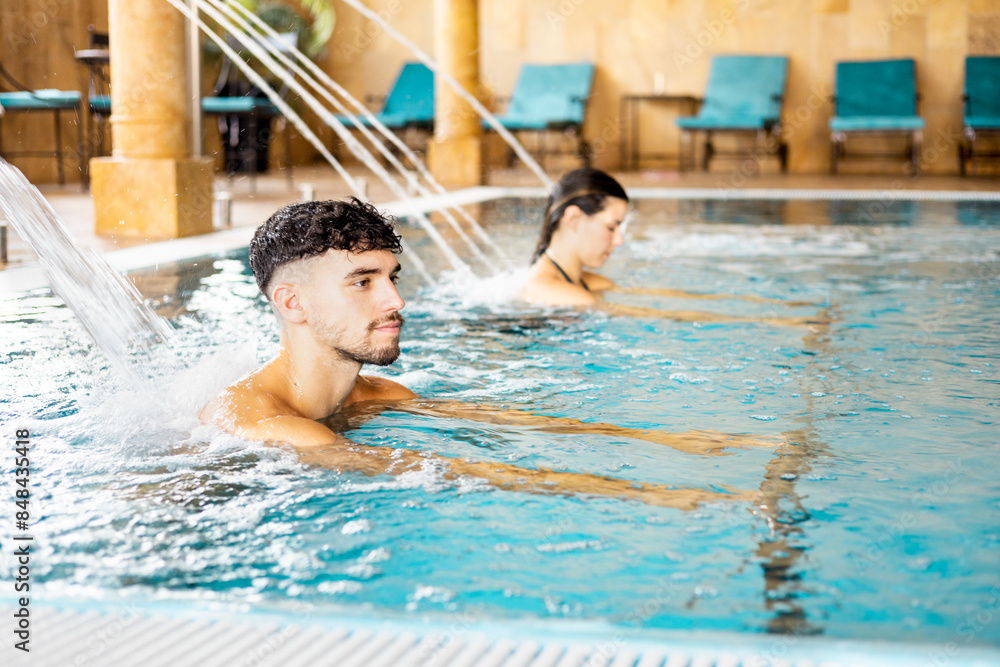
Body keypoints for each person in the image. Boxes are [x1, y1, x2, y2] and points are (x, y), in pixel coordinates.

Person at [200, 198, 779, 509]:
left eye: (391, 277)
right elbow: (444, 471)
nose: (396, 300)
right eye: (362, 282)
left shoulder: (375, 394)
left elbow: (504, 420)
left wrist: (677, 442)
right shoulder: (264, 424)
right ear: (293, 303)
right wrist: (655, 495)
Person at [520, 168, 821, 327]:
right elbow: (657, 315)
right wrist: (778, 322)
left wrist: (785, 308)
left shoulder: (584, 282)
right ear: (573, 218)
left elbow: (674, 298)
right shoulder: (550, 289)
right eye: (612, 227)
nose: (619, 240)